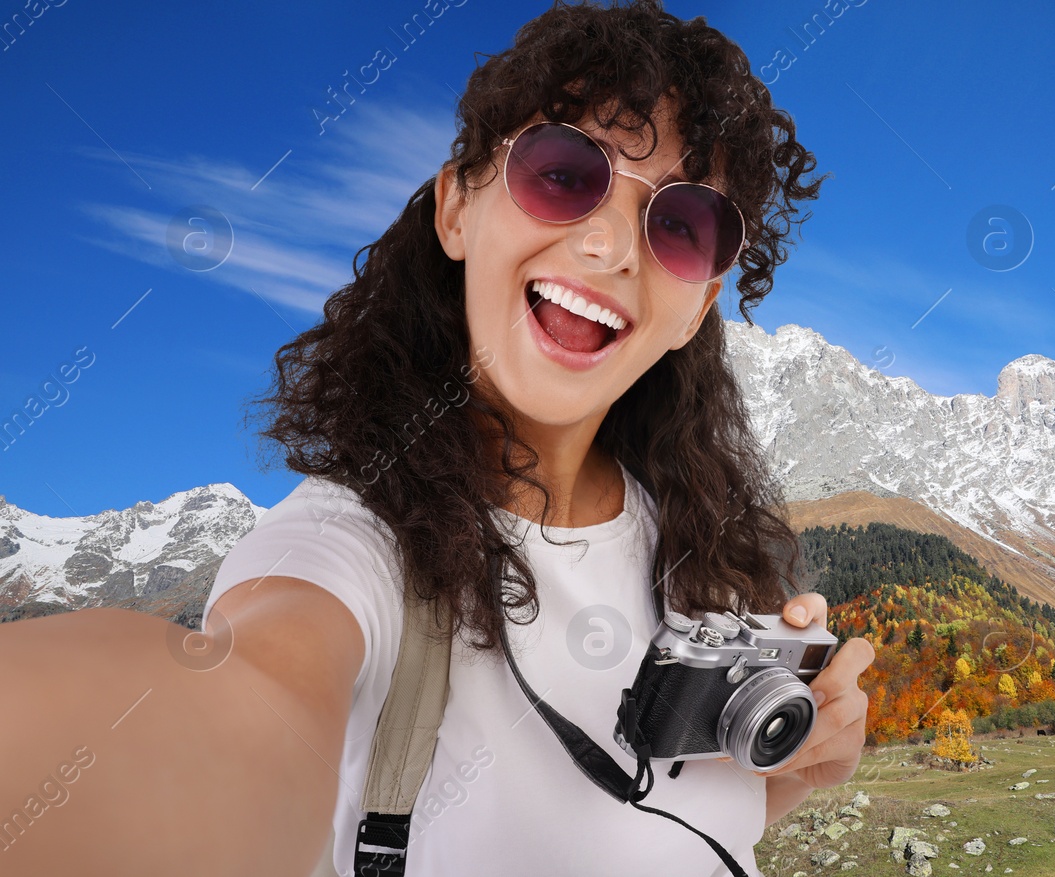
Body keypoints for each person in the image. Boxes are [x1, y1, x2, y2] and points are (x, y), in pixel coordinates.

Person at [0, 2, 875, 874]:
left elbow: (667, 832)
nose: (610, 245)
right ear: (457, 207)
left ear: (699, 309)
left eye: (682, 226)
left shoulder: (699, 550)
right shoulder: (350, 548)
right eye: (565, 173)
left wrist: (787, 764)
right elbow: (247, 693)